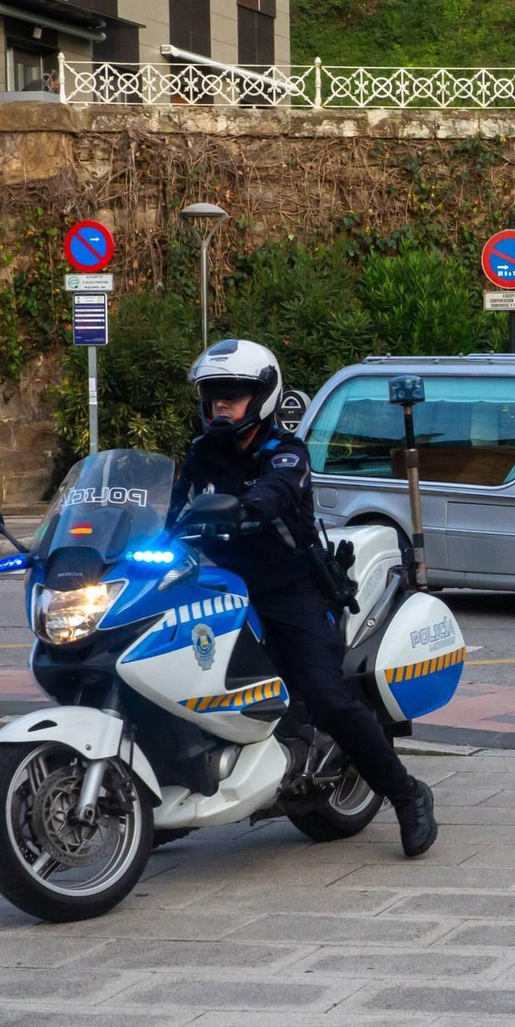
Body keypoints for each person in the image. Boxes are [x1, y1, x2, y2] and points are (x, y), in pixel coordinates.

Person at [171, 339, 440, 858]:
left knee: (325, 695)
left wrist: (246, 508)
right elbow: (170, 516)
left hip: (289, 591)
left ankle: (407, 794)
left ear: (263, 397)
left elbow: (275, 492)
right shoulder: (200, 455)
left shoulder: (287, 452)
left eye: (233, 393)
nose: (221, 404)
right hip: (221, 589)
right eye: (213, 394)